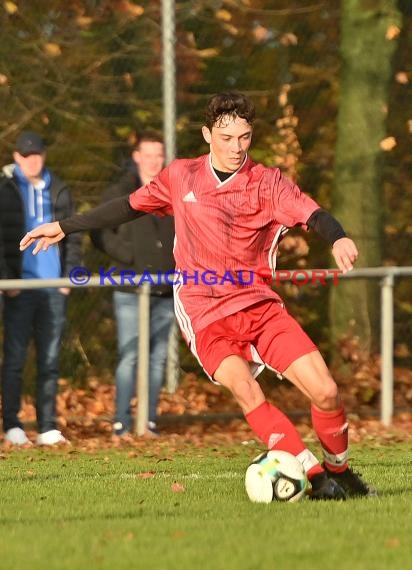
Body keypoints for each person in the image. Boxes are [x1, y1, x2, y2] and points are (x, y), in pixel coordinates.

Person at [20, 92, 374, 499]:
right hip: (204, 310)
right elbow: (128, 206)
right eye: (226, 138)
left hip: (258, 304)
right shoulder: (181, 176)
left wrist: (340, 236)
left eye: (244, 137)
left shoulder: (267, 182)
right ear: (207, 135)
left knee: (326, 391)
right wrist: (65, 226)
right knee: (245, 389)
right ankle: (316, 481)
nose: (236, 147)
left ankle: (340, 471)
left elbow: (314, 214)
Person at [91, 132, 175, 437]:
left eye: (159, 155)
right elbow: (99, 233)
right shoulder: (119, 192)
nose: (154, 161)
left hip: (166, 289)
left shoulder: (173, 193)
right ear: (136, 156)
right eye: (148, 154)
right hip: (129, 288)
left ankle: (148, 421)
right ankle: (121, 422)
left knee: (158, 358)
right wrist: (127, 256)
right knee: (130, 355)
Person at [0, 131, 81, 445]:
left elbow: (74, 234)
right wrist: (8, 280)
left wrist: (71, 277)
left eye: (36, 154)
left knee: (49, 360)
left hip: (54, 288)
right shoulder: (6, 190)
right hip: (19, 288)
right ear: (16, 157)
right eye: (25, 155)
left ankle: (47, 426)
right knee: (16, 358)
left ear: (43, 155)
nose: (31, 160)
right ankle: (13, 425)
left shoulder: (59, 189)